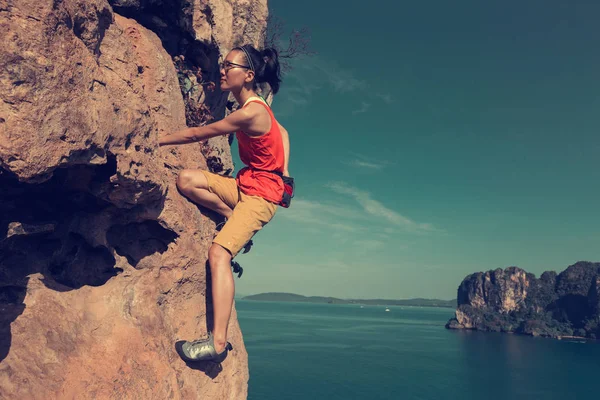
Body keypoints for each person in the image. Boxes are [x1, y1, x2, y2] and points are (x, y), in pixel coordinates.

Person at [159, 44, 290, 363]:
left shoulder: (251, 112)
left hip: (260, 198)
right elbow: (283, 132)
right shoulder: (261, 109)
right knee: (188, 179)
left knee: (218, 253)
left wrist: (156, 140)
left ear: (247, 75)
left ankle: (217, 345)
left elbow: (198, 134)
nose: (222, 69)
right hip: (245, 186)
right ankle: (230, 215)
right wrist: (283, 170)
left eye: (228, 65)